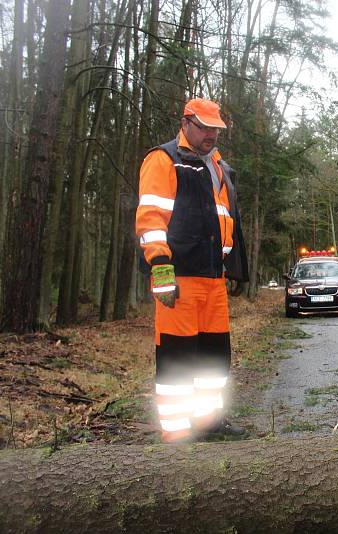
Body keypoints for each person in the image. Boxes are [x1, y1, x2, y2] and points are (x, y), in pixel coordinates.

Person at [136, 97, 249, 443]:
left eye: (215, 129)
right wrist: (160, 267)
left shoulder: (217, 166)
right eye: (204, 127)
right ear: (186, 123)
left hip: (213, 279)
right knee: (178, 358)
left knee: (214, 359)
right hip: (179, 278)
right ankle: (176, 431)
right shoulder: (164, 159)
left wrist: (230, 266)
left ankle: (207, 421)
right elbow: (151, 219)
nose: (211, 135)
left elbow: (225, 223)